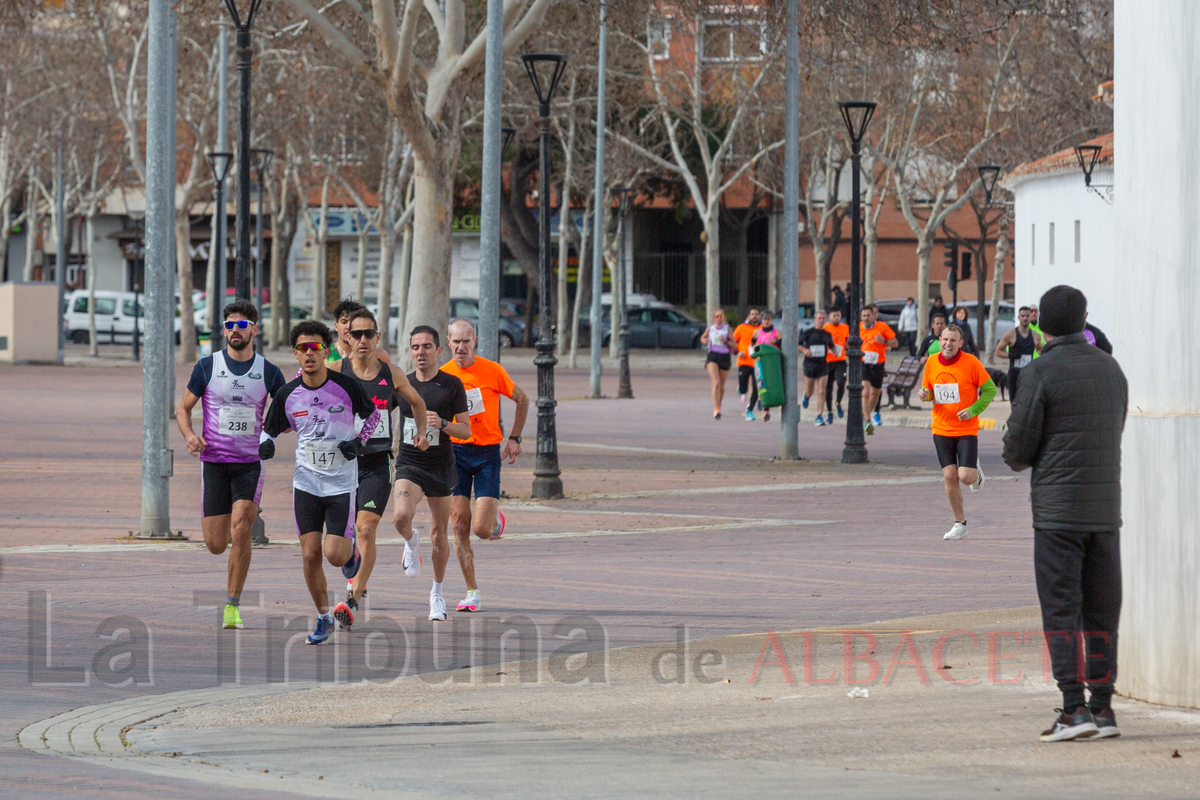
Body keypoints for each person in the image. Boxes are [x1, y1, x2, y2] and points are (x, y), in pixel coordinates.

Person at [1002, 285, 1127, 743]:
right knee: (1102, 609)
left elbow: (1017, 450)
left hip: (1057, 515)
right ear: (1085, 318)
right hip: (1104, 511)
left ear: (1041, 325)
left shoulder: (1039, 372)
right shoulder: (1112, 370)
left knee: (1061, 608)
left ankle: (1073, 709)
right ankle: (1104, 708)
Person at [258, 321, 382, 645]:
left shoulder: (346, 387)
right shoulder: (287, 393)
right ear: (296, 354)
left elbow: (373, 416)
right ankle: (324, 616)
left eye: (315, 347)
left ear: (326, 351)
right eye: (303, 348)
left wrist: (358, 443)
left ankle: (351, 555)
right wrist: (266, 443)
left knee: (335, 555)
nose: (309, 354)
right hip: (307, 484)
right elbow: (268, 428)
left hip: (341, 485)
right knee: (310, 554)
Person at [176, 299, 286, 630]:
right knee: (215, 544)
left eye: (241, 325)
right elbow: (182, 409)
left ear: (254, 329)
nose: (234, 331)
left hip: (250, 465)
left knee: (241, 530)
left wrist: (269, 435)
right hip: (214, 463)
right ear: (223, 330)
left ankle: (232, 606)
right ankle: (229, 588)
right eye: (229, 325)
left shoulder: (268, 371)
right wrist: (189, 435)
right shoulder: (207, 366)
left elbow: (285, 411)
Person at [328, 309, 430, 630]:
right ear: (347, 337)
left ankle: (353, 599)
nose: (361, 340)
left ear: (377, 338)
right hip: (342, 464)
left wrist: (421, 431)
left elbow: (418, 402)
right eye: (355, 334)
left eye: (368, 334)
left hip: (377, 462)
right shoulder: (334, 371)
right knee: (341, 541)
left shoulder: (392, 374)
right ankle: (353, 565)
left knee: (366, 529)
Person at [440, 318, 530, 613]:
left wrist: (514, 438)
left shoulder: (492, 370)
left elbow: (523, 399)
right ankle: (472, 591)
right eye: (456, 341)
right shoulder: (443, 375)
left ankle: (493, 519)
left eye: (467, 341)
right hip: (456, 454)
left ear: (474, 341)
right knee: (459, 525)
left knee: (481, 529)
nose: (461, 347)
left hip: (488, 453)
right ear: (449, 342)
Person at [391, 325, 471, 622]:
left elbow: (466, 429)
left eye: (426, 347)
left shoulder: (451, 385)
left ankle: (436, 594)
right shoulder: (403, 385)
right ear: (410, 352)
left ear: (439, 350)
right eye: (415, 347)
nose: (420, 352)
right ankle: (411, 542)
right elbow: (376, 411)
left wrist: (443, 424)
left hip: (440, 467)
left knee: (439, 534)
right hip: (410, 464)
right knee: (400, 517)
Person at [917, 324, 997, 541]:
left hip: (966, 428)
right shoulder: (932, 362)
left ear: (961, 343)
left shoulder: (971, 362)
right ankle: (959, 523)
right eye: (944, 339)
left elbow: (990, 390)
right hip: (941, 427)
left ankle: (975, 471)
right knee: (949, 476)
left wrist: (973, 410)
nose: (947, 344)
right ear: (939, 339)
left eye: (953, 340)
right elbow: (931, 392)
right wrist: (925, 395)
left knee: (965, 477)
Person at [859, 303, 897, 433]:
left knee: (874, 396)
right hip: (864, 363)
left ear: (873, 316)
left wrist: (884, 341)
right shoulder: (858, 328)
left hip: (878, 364)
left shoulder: (882, 327)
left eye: (868, 315)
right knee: (865, 392)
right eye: (863, 316)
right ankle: (868, 420)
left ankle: (865, 416)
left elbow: (896, 342)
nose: (865, 318)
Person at [993, 306, 1040, 401]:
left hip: (1029, 374)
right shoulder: (1010, 334)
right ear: (1018, 317)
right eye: (1022, 316)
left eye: (1027, 316)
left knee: (1028, 402)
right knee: (1014, 403)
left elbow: (1041, 351)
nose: (1025, 318)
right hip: (1014, 374)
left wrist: (1037, 363)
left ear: (1031, 317)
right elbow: (997, 352)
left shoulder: (1036, 336)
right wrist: (1010, 355)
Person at [327, 299, 391, 366]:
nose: (348, 326)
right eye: (344, 322)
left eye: (352, 322)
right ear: (336, 326)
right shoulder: (326, 354)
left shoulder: (378, 356)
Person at [799, 310, 834, 426]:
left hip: (823, 365)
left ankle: (819, 416)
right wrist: (805, 350)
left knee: (822, 391)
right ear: (815, 320)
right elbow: (797, 343)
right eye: (819, 318)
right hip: (809, 364)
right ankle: (807, 396)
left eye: (823, 318)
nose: (821, 320)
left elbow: (832, 346)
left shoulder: (827, 334)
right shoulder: (808, 332)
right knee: (811, 390)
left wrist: (835, 350)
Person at [700, 309, 733, 420]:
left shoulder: (727, 329)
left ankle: (719, 405)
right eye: (717, 316)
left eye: (721, 316)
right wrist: (706, 340)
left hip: (725, 357)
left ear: (724, 317)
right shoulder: (711, 328)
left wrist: (725, 341)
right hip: (713, 356)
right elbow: (702, 338)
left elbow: (735, 345)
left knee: (722, 385)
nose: (719, 318)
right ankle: (716, 409)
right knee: (717, 383)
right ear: (714, 318)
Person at [752, 311, 782, 422]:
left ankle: (770, 403)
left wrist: (777, 342)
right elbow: (752, 344)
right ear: (762, 320)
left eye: (768, 319)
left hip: (772, 362)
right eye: (764, 319)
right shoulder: (757, 332)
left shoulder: (777, 333)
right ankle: (764, 407)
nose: (766, 321)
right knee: (761, 383)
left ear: (772, 320)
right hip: (760, 361)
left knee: (770, 383)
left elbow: (782, 346)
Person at [733, 308, 762, 421]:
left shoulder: (762, 329)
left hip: (757, 362)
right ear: (749, 316)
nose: (754, 316)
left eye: (756, 314)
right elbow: (732, 342)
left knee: (756, 387)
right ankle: (741, 389)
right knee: (743, 388)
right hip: (744, 361)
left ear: (759, 316)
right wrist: (737, 352)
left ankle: (749, 411)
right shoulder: (741, 328)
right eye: (752, 314)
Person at [822, 308, 849, 425]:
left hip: (840, 360)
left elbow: (847, 342)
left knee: (841, 383)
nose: (836, 318)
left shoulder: (845, 327)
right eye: (834, 316)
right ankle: (830, 412)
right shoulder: (825, 329)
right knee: (828, 388)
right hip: (828, 361)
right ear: (829, 316)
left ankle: (838, 403)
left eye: (838, 315)